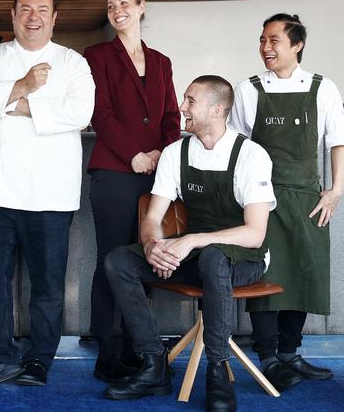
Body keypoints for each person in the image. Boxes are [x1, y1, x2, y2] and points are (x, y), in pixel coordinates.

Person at [103, 76, 275, 412]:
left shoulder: (250, 155)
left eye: (190, 101)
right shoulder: (175, 152)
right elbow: (152, 219)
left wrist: (191, 240)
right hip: (195, 254)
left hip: (245, 258)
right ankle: (154, 365)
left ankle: (217, 372)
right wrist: (153, 244)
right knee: (118, 261)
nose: (182, 108)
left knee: (213, 258)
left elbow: (255, 233)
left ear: (217, 109)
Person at [0, 0, 95, 389]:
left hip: (51, 193)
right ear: (13, 15)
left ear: (54, 18)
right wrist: (22, 87)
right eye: (25, 9)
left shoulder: (73, 63)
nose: (32, 17)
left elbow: (79, 113)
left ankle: (39, 359)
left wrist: (12, 106)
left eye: (41, 10)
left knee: (48, 283)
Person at [230, 13, 344, 391]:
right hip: (261, 198)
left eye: (274, 40)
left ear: (297, 45)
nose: (265, 47)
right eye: (262, 40)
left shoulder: (321, 87)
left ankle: (291, 353)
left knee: (302, 272)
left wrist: (335, 190)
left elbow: (336, 141)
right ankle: (267, 356)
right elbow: (238, 148)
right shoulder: (248, 90)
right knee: (265, 275)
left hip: (308, 197)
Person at [83, 0, 180, 382]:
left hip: (156, 176)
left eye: (124, 2)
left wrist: (163, 154)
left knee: (147, 257)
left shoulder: (161, 61)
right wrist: (134, 154)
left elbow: (172, 116)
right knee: (111, 258)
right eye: (110, 5)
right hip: (113, 172)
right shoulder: (97, 55)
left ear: (142, 7)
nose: (117, 9)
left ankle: (137, 348)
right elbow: (99, 112)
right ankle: (108, 351)